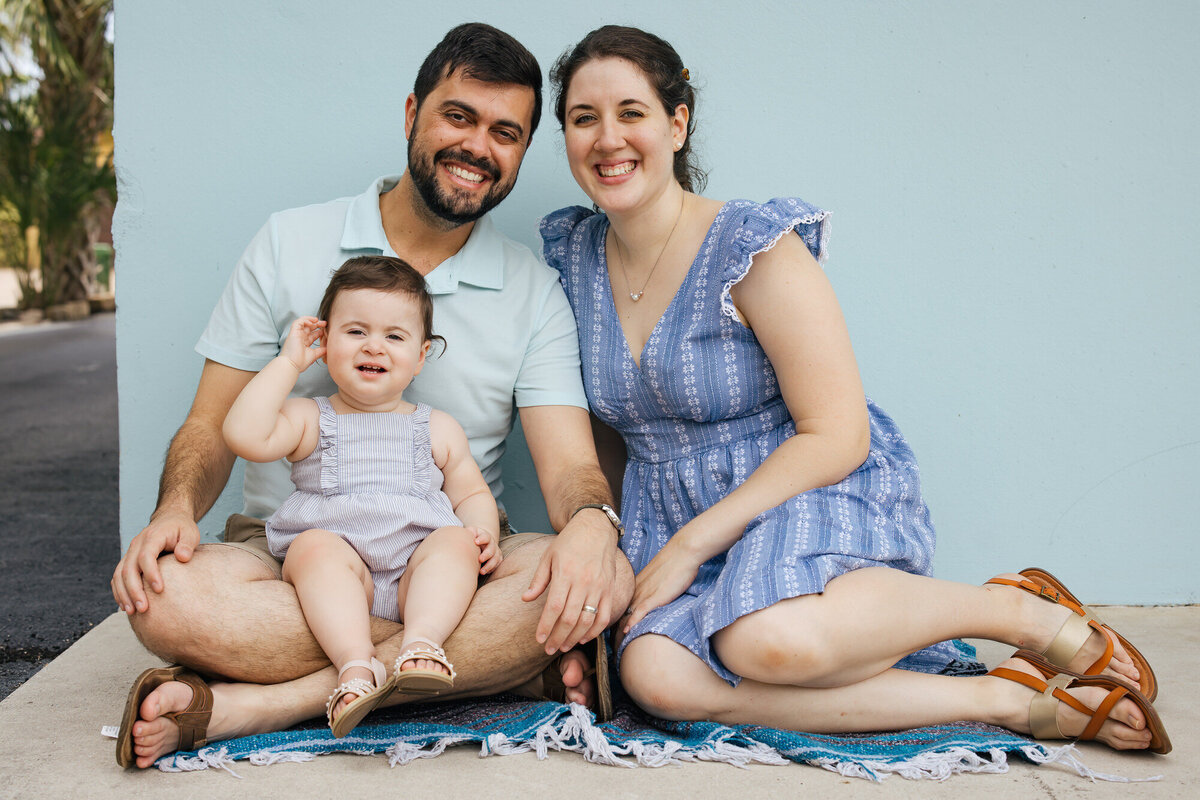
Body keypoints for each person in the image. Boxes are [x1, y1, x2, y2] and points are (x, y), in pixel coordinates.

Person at [538, 25, 1169, 753]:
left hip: (799, 489)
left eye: (631, 112)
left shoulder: (749, 244)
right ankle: (1006, 700)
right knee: (654, 679)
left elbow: (837, 432)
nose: (608, 138)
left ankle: (1011, 610)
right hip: (666, 516)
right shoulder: (573, 257)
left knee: (766, 642)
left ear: (676, 123)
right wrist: (621, 556)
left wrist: (691, 546)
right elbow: (609, 435)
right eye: (584, 119)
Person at [112, 23, 633, 769]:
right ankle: (498, 672)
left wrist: (591, 526)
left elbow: (569, 471)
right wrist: (172, 513)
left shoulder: (531, 288)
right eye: (458, 117)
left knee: (570, 581)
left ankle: (265, 701)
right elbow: (211, 425)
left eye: (505, 132)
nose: (477, 147)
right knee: (161, 597)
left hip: (445, 554)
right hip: (289, 554)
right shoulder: (290, 241)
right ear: (412, 112)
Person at [223, 256, 503, 736]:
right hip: (339, 577)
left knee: (455, 541)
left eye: (395, 336)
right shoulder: (309, 418)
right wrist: (289, 361)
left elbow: (472, 491)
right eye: (356, 332)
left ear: (420, 356)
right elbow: (244, 434)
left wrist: (483, 534)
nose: (375, 345)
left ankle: (421, 644)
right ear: (326, 343)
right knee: (313, 546)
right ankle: (356, 665)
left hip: (419, 573)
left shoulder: (436, 427)